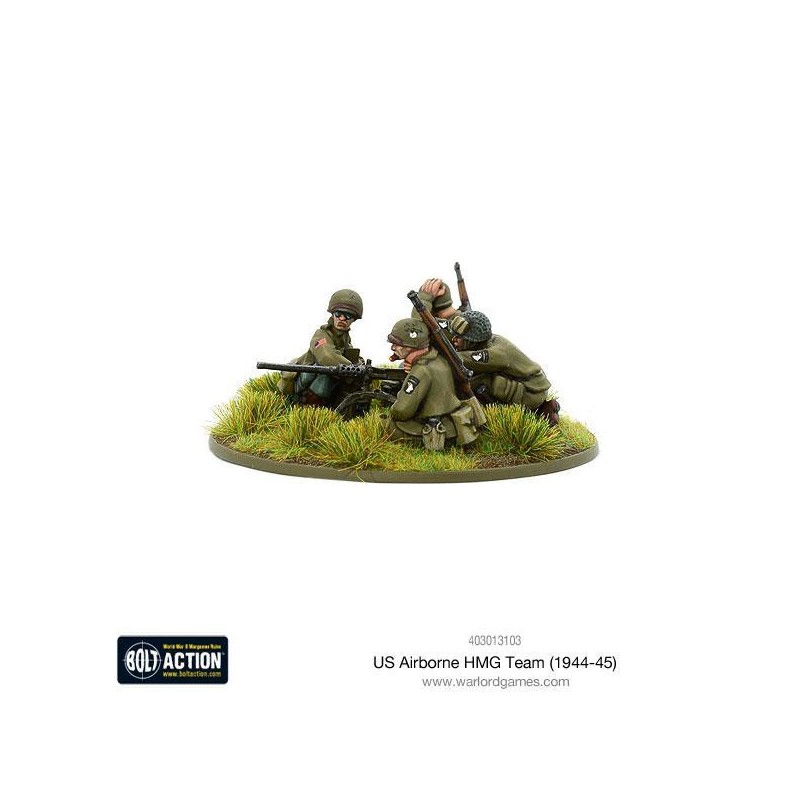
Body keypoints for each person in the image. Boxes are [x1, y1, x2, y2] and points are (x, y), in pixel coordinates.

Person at [451, 310, 561, 425]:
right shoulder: (485, 341)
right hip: (529, 383)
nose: (454, 339)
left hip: (531, 391)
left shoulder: (498, 352)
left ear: (471, 340)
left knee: (476, 382)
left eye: (459, 337)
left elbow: (467, 359)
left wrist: (446, 355)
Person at [385, 318, 481, 449]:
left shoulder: (420, 370)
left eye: (397, 344)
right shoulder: (440, 359)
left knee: (385, 423)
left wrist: (397, 399)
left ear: (411, 345)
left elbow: (401, 411)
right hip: (452, 425)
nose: (393, 347)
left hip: (435, 433)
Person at [277, 289, 364, 406]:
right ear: (332, 314)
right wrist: (352, 369)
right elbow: (326, 356)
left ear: (354, 319)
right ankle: (308, 408)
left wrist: (360, 364)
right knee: (324, 373)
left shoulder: (344, 339)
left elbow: (348, 354)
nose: (342, 319)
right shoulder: (321, 334)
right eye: (338, 314)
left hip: (325, 390)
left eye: (348, 316)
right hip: (303, 383)